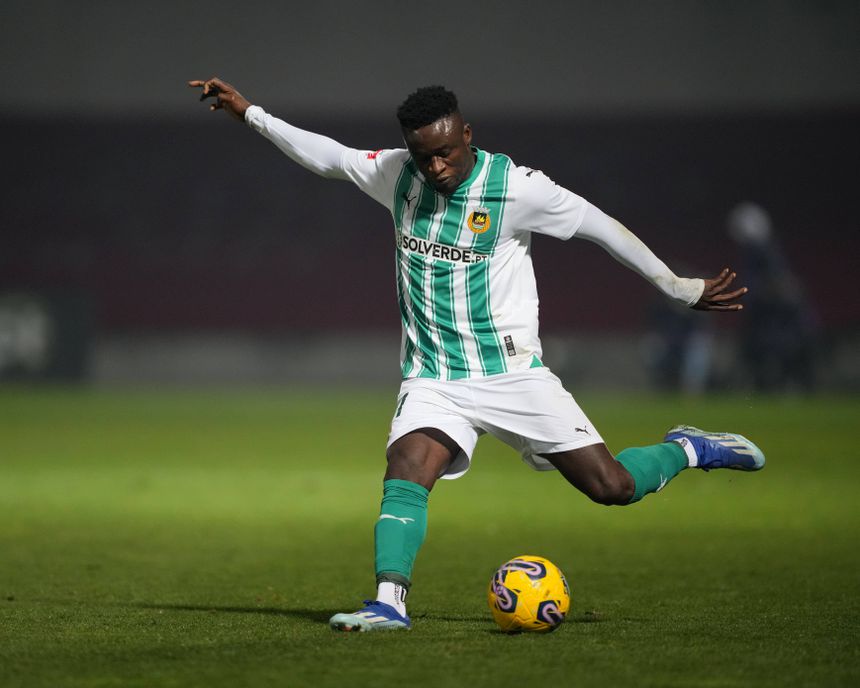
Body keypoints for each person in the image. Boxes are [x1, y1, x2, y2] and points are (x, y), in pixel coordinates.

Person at [189, 78, 765, 632]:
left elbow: (602, 228)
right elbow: (329, 157)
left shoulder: (517, 188)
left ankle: (687, 448)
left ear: (467, 134)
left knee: (611, 486)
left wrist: (678, 287)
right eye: (424, 157)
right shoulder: (397, 174)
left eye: (445, 152)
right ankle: (388, 603)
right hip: (434, 377)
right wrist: (251, 114)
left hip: (511, 373)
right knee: (406, 469)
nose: (436, 167)